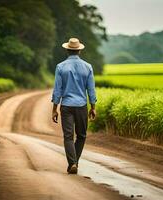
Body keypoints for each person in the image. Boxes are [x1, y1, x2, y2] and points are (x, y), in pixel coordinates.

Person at [51, 38, 97, 174]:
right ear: (79, 51)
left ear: (67, 50)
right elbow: (91, 89)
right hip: (81, 105)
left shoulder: (60, 67)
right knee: (81, 135)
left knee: (68, 136)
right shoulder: (88, 67)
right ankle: (74, 162)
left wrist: (54, 109)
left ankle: (72, 163)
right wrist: (93, 107)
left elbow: (57, 90)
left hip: (66, 106)